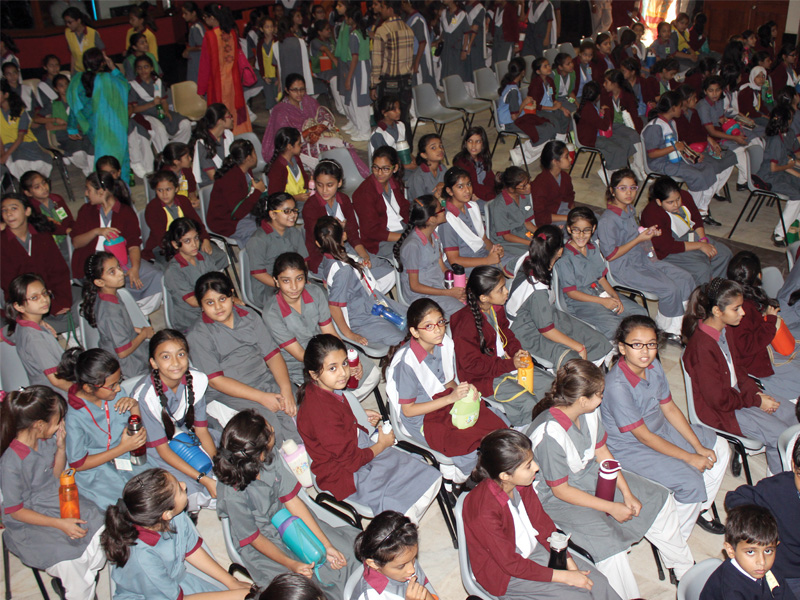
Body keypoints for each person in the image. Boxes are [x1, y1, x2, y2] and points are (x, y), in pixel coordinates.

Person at [528, 360, 694, 600]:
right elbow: (561, 491)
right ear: (582, 399)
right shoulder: (549, 434)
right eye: (599, 394)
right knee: (608, 545)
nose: (602, 398)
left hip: (586, 475)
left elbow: (602, 451)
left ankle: (682, 568)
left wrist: (626, 492)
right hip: (554, 498)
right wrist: (611, 507)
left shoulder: (588, 412)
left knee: (658, 498)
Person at [602, 315, 730, 540]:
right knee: (690, 481)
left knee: (719, 446)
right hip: (631, 448)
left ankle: (698, 508)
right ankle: (675, 540)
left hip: (659, 431)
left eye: (651, 344)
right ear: (622, 348)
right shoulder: (617, 386)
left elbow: (669, 407)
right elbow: (644, 437)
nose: (645, 352)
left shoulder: (654, 367)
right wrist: (689, 457)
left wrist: (697, 446)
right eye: (637, 345)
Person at [296, 334, 442, 520]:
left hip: (355, 449)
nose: (343, 373)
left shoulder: (322, 391)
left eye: (344, 364)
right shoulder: (320, 412)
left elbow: (335, 419)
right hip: (343, 474)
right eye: (333, 368)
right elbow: (348, 460)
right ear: (314, 374)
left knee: (423, 472)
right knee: (399, 503)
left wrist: (356, 418)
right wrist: (381, 444)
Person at [463, 429, 621, 599]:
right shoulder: (483, 511)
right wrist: (565, 576)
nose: (536, 468)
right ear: (505, 476)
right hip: (506, 575)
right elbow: (510, 564)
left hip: (534, 549)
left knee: (598, 583)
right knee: (578, 596)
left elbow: (542, 524)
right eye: (528, 465)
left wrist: (570, 564)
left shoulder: (521, 484)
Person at [215, 410, 358, 594]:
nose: (273, 429)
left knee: (346, 552)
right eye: (270, 431)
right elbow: (255, 538)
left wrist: (325, 545)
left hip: (287, 516)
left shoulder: (269, 456)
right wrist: (291, 564)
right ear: (258, 455)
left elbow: (291, 500)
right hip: (261, 542)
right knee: (304, 588)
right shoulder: (232, 494)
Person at [682, 278, 798, 475]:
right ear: (718, 311)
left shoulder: (725, 330)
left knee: (795, 416)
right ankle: (780, 485)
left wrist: (757, 394)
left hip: (738, 397)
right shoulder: (702, 348)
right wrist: (756, 401)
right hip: (722, 411)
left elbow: (740, 371)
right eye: (736, 309)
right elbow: (719, 400)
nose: (743, 313)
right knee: (780, 437)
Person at [0, 386, 106, 600]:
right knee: (69, 557)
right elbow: (16, 511)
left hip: (51, 497)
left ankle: (80, 583)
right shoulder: (11, 461)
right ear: (39, 425)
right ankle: (78, 589)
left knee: (102, 525)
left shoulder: (45, 439)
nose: (61, 424)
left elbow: (56, 476)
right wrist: (60, 524)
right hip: (27, 520)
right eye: (58, 420)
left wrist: (60, 447)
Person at [384, 298, 506, 479]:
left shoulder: (443, 344)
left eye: (440, 322)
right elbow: (408, 411)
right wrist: (451, 399)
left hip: (444, 400)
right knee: (467, 448)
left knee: (496, 419)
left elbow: (448, 382)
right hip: (422, 418)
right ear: (414, 332)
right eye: (429, 326)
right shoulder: (407, 364)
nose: (438, 329)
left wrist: (465, 394)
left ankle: (496, 468)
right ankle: (463, 479)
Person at [187, 272, 301, 445]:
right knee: (268, 430)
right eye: (210, 303)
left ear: (232, 295)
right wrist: (262, 397)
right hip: (229, 392)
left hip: (263, 378)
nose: (218, 307)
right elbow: (217, 381)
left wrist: (286, 389)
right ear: (201, 305)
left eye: (222, 299)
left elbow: (272, 355)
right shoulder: (198, 335)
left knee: (300, 409)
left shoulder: (249, 315)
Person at [102, 469, 253, 599]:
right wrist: (236, 596)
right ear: (166, 514)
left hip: (175, 580)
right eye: (179, 489)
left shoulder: (173, 514)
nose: (184, 485)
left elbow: (190, 548)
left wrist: (231, 582)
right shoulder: (142, 557)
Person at [263, 252, 379, 399]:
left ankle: (346, 405)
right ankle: (344, 406)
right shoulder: (272, 313)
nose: (293, 287)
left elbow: (330, 332)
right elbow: (300, 354)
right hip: (302, 364)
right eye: (286, 281)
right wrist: (339, 365)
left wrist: (349, 359)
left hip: (327, 350)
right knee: (335, 393)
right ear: (276, 281)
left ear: (305, 277)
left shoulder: (315, 292)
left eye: (299, 279)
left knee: (372, 374)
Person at [598, 168, 695, 338]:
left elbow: (633, 235)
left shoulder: (629, 210)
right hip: (624, 268)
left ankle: (682, 322)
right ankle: (665, 330)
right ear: (612, 190)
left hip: (642, 259)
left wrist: (647, 233)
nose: (629, 193)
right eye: (623, 188)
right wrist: (638, 239)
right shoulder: (607, 220)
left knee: (685, 278)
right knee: (669, 289)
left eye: (633, 188)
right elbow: (610, 255)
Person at [451, 265, 553, 428]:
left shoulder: (495, 308)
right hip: (482, 378)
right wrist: (510, 364)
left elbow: (506, 333)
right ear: (484, 297)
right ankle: (526, 435)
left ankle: (552, 427)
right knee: (528, 403)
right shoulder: (465, 325)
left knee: (552, 386)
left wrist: (516, 351)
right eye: (500, 289)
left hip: (503, 364)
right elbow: (473, 366)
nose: (506, 292)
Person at [507, 225, 612, 369]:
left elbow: (506, 270)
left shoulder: (527, 257)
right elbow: (546, 330)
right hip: (525, 330)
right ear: (560, 251)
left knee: (598, 341)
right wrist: (578, 347)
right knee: (573, 357)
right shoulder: (538, 290)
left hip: (545, 314)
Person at [58, 348, 148, 508]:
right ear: (88, 388)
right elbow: (78, 464)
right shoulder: (74, 417)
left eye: (118, 382)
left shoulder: (115, 395)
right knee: (129, 505)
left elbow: (133, 431)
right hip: (96, 471)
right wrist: (122, 448)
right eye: (113, 385)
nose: (119, 389)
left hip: (125, 456)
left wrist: (134, 407)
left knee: (155, 487)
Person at [71, 172, 163, 311]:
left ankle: (140, 310)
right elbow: (76, 242)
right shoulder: (86, 211)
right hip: (94, 262)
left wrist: (135, 268)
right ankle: (121, 309)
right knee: (109, 281)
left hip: (120, 260)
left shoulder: (125, 212)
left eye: (88, 189)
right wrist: (97, 231)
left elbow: (133, 245)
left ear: (101, 191)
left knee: (156, 275)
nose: (86, 193)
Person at [554, 206, 647, 338]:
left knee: (640, 313)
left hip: (599, 292)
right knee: (616, 327)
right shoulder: (564, 257)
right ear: (569, 229)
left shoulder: (592, 248)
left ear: (593, 229)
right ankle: (615, 353)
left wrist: (615, 297)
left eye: (586, 230)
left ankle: (636, 347)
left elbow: (601, 279)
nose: (581, 235)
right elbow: (571, 293)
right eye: (576, 230)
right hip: (580, 303)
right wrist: (602, 302)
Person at [725, 438, 800, 596]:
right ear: (793, 466)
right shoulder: (779, 488)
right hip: (787, 575)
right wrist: (761, 529)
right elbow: (737, 498)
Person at [316, 216, 408, 347]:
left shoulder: (328, 258)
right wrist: (349, 334)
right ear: (344, 235)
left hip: (370, 304)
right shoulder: (343, 270)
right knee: (403, 339)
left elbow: (327, 283)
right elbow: (334, 307)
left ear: (318, 244)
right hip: (361, 318)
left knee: (412, 321)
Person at [303, 159, 394, 290]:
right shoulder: (311, 206)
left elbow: (353, 233)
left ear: (339, 183)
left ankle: (366, 298)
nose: (324, 190)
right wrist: (338, 234)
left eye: (330, 185)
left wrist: (364, 256)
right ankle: (362, 298)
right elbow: (321, 243)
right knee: (363, 277)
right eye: (319, 185)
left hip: (347, 250)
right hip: (325, 257)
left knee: (389, 272)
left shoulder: (344, 200)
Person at [726, 251, 800, 401]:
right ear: (759, 276)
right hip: (754, 364)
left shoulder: (738, 298)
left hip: (760, 349)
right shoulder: (743, 307)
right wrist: (771, 321)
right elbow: (747, 347)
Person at [261, 73, 367, 175]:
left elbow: (326, 117)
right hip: (296, 147)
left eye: (302, 89)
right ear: (287, 90)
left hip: (316, 138)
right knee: (328, 154)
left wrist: (318, 130)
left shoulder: (307, 101)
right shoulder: (280, 111)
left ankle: (363, 175)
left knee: (342, 145)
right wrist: (309, 132)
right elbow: (286, 140)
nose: (299, 93)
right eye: (295, 90)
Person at [1, 193, 74, 333]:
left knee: (78, 311)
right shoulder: (2, 243)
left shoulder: (42, 235)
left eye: (14, 208)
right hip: (23, 304)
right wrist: (35, 309)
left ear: (27, 211)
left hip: (49, 297)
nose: (8, 214)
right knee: (30, 327)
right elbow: (9, 285)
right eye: (4, 210)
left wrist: (59, 302)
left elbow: (59, 271)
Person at [640, 176, 733, 285]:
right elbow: (667, 246)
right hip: (668, 250)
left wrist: (703, 240)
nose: (676, 204)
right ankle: (702, 298)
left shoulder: (685, 196)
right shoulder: (652, 214)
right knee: (701, 268)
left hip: (690, 236)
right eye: (670, 202)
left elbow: (697, 219)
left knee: (724, 254)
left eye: (678, 199)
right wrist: (700, 246)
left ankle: (717, 288)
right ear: (659, 202)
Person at [700, 505, 797, 600]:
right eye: (750, 552)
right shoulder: (731, 592)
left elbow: (783, 591)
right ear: (731, 550)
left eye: (768, 551)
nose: (762, 561)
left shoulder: (763, 567)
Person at [81, 252, 153, 379]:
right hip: (129, 365)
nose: (121, 273)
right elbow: (123, 352)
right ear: (99, 282)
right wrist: (143, 334)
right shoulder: (110, 311)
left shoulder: (110, 293)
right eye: (112, 272)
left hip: (131, 350)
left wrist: (137, 330)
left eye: (118, 267)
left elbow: (121, 327)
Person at [394, 195, 466, 317]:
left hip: (438, 286)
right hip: (421, 296)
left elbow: (442, 267)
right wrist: (448, 293)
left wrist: (458, 280)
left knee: (474, 298)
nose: (444, 209)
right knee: (463, 313)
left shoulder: (433, 235)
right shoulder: (413, 246)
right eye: (441, 209)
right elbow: (414, 286)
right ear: (432, 219)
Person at [65, 48, 129, 182]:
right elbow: (125, 86)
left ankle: (101, 189)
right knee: (116, 161)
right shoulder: (108, 79)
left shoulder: (77, 80)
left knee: (102, 160)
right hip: (111, 128)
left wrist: (72, 127)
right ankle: (118, 191)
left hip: (92, 128)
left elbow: (74, 106)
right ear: (102, 63)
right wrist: (113, 67)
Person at [3, 273, 72, 393]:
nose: (44, 299)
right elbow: (56, 380)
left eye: (45, 293)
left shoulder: (20, 324)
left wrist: (40, 323)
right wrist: (85, 393)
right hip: (58, 396)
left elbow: (4, 333)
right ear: (19, 307)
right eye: (34, 298)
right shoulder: (35, 338)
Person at [349, 511, 440, 600]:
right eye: (401, 566)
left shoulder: (405, 556)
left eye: (413, 558)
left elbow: (424, 590)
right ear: (374, 564)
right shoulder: (372, 596)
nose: (412, 569)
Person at [438, 166, 511, 275]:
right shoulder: (447, 219)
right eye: (460, 187)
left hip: (483, 256)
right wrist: (487, 261)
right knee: (515, 269)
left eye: (468, 184)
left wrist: (495, 249)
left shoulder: (472, 206)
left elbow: (484, 239)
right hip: (466, 266)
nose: (467, 190)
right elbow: (453, 260)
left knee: (518, 262)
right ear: (449, 191)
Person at [198, 3, 252, 135]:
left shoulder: (210, 36)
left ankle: (224, 137)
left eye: (205, 17)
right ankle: (241, 134)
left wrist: (201, 89)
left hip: (218, 84)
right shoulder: (232, 32)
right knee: (236, 109)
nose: (205, 21)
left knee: (220, 112)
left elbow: (205, 64)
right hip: (234, 83)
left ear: (211, 17)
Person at [162, 218, 224, 332]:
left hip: (211, 307)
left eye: (196, 238)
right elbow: (193, 301)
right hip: (192, 320)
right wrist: (221, 303)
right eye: (187, 241)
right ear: (176, 244)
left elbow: (217, 282)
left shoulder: (203, 257)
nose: (194, 244)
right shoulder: (173, 271)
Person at [144, 170, 218, 264]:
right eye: (160, 190)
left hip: (189, 241)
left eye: (168, 189)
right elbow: (161, 238)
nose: (164, 194)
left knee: (217, 256)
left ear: (176, 189)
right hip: (164, 248)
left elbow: (197, 223)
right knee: (186, 266)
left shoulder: (183, 201)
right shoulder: (152, 208)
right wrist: (185, 251)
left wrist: (205, 239)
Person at [245, 193, 307, 305]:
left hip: (293, 283)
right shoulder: (258, 240)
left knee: (319, 294)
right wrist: (284, 285)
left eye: (294, 210)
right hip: (269, 288)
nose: (293, 215)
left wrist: (299, 281)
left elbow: (304, 262)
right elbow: (258, 273)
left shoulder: (294, 232)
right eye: (287, 211)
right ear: (273, 214)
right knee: (298, 305)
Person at [353, 145, 410, 261]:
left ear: (395, 168)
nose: (379, 173)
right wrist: (405, 237)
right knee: (411, 250)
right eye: (375, 167)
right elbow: (371, 231)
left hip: (400, 229)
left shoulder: (394, 182)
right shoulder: (365, 193)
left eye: (385, 169)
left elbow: (404, 209)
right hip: (379, 241)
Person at [496, 57, 557, 163]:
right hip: (510, 123)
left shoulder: (512, 85)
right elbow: (514, 116)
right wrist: (524, 103)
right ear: (523, 72)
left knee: (549, 126)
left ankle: (523, 152)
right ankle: (520, 153)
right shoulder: (513, 91)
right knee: (544, 132)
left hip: (519, 117)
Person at [369, 0, 414, 144]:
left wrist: (373, 85)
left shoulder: (383, 30)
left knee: (386, 120)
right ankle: (407, 150)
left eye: (382, 7)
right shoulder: (408, 29)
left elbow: (377, 61)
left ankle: (388, 150)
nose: (380, 10)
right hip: (406, 82)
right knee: (404, 119)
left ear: (390, 9)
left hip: (389, 83)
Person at [207, 138, 266, 248]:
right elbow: (238, 211)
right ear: (248, 158)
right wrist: (257, 191)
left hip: (244, 213)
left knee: (273, 222)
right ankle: (255, 260)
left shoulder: (245, 170)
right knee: (257, 235)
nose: (256, 155)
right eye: (254, 152)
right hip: (227, 221)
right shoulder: (231, 178)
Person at [127, 56, 191, 152]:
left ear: (151, 68)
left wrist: (166, 111)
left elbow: (164, 101)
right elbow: (134, 109)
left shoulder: (157, 82)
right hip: (145, 115)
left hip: (160, 112)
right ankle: (165, 156)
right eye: (139, 68)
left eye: (146, 67)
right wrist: (152, 104)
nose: (143, 70)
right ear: (136, 70)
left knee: (185, 124)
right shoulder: (133, 85)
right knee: (160, 130)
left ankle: (177, 151)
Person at [575, 81, 636, 179]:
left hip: (597, 134)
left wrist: (601, 113)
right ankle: (610, 171)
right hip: (591, 139)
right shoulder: (588, 108)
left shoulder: (589, 105)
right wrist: (607, 111)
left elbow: (596, 121)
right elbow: (604, 126)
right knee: (617, 149)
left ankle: (612, 166)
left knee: (626, 142)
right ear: (598, 96)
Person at [758, 107, 800, 247]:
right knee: (797, 195)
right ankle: (779, 234)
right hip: (769, 178)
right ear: (787, 122)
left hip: (779, 173)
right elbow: (774, 168)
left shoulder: (780, 136)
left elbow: (785, 161)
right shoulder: (776, 140)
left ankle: (796, 225)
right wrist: (790, 167)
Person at [19, 170, 75, 264]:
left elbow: (67, 219)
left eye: (44, 183)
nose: (44, 188)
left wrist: (72, 230)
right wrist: (66, 230)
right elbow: (46, 227)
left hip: (66, 237)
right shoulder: (31, 209)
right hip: (48, 244)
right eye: (37, 187)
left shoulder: (57, 199)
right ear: (28, 193)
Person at [0, 81, 53, 180]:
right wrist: (3, 155)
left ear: (6, 95)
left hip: (26, 143)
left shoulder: (20, 111)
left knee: (32, 162)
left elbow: (20, 137)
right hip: (8, 147)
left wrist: (5, 155)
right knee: (17, 163)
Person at [488, 166, 537, 260]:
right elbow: (506, 236)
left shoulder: (523, 196)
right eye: (523, 186)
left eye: (528, 183)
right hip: (506, 241)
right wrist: (531, 243)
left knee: (545, 245)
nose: (528, 187)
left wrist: (540, 234)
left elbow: (527, 223)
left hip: (523, 233)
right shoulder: (499, 205)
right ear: (511, 189)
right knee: (533, 253)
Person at [340, 5, 373, 141]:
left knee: (360, 101)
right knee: (356, 100)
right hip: (362, 67)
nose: (345, 19)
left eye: (347, 17)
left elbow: (355, 57)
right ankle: (359, 127)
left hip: (359, 68)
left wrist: (349, 77)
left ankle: (365, 131)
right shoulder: (361, 31)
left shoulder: (355, 35)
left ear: (352, 19)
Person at [531, 141, 575, 228]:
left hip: (564, 211)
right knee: (577, 227)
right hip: (550, 221)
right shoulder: (540, 184)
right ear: (555, 161)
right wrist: (569, 218)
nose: (570, 159)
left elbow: (570, 198)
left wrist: (575, 214)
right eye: (566, 156)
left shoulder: (565, 177)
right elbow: (541, 216)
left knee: (591, 219)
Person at [190, 103, 234, 188]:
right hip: (212, 187)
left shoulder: (228, 135)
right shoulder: (202, 144)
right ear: (219, 121)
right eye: (229, 116)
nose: (232, 118)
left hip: (227, 181)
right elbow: (214, 177)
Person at [527, 57, 571, 136]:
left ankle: (563, 137)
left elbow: (553, 98)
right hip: (539, 111)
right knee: (554, 121)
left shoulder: (550, 80)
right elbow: (535, 105)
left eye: (549, 65)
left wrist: (562, 108)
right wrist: (552, 108)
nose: (549, 67)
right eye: (545, 66)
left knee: (566, 116)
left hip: (550, 108)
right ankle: (557, 140)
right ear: (538, 71)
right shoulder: (535, 84)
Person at [265, 127, 310, 201]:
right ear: (289, 146)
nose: (301, 145)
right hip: (288, 205)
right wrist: (295, 198)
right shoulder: (278, 168)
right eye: (299, 144)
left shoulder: (296, 159)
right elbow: (275, 197)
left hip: (302, 197)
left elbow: (305, 179)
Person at [453, 126, 496, 202]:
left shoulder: (482, 158)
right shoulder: (462, 162)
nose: (473, 145)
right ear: (465, 143)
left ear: (483, 144)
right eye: (470, 141)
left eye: (478, 141)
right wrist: (492, 197)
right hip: (471, 196)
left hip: (484, 194)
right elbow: (473, 186)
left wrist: (493, 193)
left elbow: (490, 179)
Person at [439, 1, 474, 88]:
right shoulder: (444, 13)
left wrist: (464, 50)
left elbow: (466, 34)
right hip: (446, 49)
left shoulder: (461, 14)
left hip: (456, 49)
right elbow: (444, 31)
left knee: (456, 72)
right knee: (446, 71)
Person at [369, 94, 412, 165]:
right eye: (394, 110)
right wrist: (405, 166)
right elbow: (383, 161)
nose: (398, 112)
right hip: (386, 168)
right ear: (384, 113)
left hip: (400, 163)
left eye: (399, 108)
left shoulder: (401, 125)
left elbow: (406, 149)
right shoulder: (378, 134)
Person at [155, 142, 199, 208]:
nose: (190, 158)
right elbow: (167, 201)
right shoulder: (165, 177)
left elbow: (192, 191)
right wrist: (187, 204)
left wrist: (195, 201)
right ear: (176, 161)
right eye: (187, 157)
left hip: (186, 203)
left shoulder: (186, 170)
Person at [406, 134, 446, 203]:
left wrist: (445, 186)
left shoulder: (443, 168)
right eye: (433, 148)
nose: (440, 149)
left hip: (440, 208)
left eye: (441, 146)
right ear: (424, 155)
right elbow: (420, 205)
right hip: (424, 211)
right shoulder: (418, 177)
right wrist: (435, 198)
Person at [62, 7, 104, 73]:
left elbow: (102, 53)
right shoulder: (67, 33)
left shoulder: (92, 33)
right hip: (78, 71)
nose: (67, 25)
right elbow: (73, 55)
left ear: (78, 20)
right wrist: (72, 73)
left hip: (92, 71)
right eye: (66, 22)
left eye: (70, 22)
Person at [182, 2, 205, 83]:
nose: (183, 16)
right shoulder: (197, 25)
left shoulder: (195, 27)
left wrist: (188, 49)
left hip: (198, 62)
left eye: (186, 13)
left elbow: (202, 46)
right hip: (197, 61)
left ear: (193, 13)